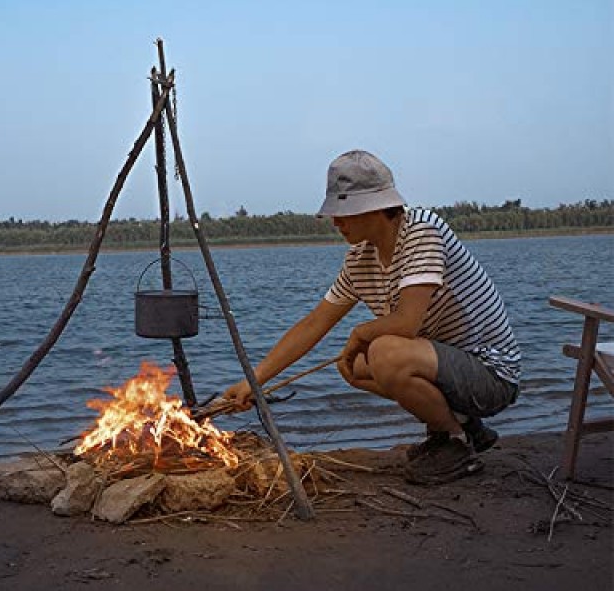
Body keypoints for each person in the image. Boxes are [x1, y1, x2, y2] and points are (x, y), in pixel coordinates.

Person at [223, 150, 521, 485]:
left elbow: (407, 323)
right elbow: (314, 323)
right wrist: (255, 380)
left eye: (345, 212)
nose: (336, 222)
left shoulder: (422, 231)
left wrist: (361, 332)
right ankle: (461, 427)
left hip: (491, 373)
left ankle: (455, 445)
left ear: (376, 208)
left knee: (382, 352)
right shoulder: (360, 259)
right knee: (351, 365)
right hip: (446, 365)